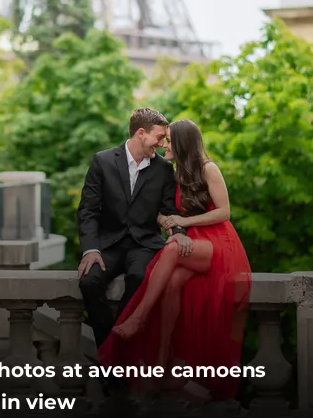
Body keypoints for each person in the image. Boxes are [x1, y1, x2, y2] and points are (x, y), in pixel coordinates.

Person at [97, 118, 252, 403]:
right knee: (173, 283)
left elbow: (224, 212)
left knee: (168, 252)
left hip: (220, 243)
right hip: (192, 242)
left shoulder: (208, 168)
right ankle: (162, 362)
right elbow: (161, 211)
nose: (163, 144)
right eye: (162, 139)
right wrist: (167, 222)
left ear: (181, 142)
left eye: (168, 139)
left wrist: (183, 221)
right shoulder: (173, 173)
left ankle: (139, 318)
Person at [77, 108, 192, 355]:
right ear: (141, 133)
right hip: (107, 244)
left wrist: (179, 231)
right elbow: (87, 210)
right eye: (159, 138)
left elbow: (169, 209)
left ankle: (112, 355)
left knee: (140, 278)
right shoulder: (102, 161)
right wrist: (90, 248)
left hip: (144, 244)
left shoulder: (163, 169)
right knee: (89, 281)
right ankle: (111, 349)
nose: (162, 145)